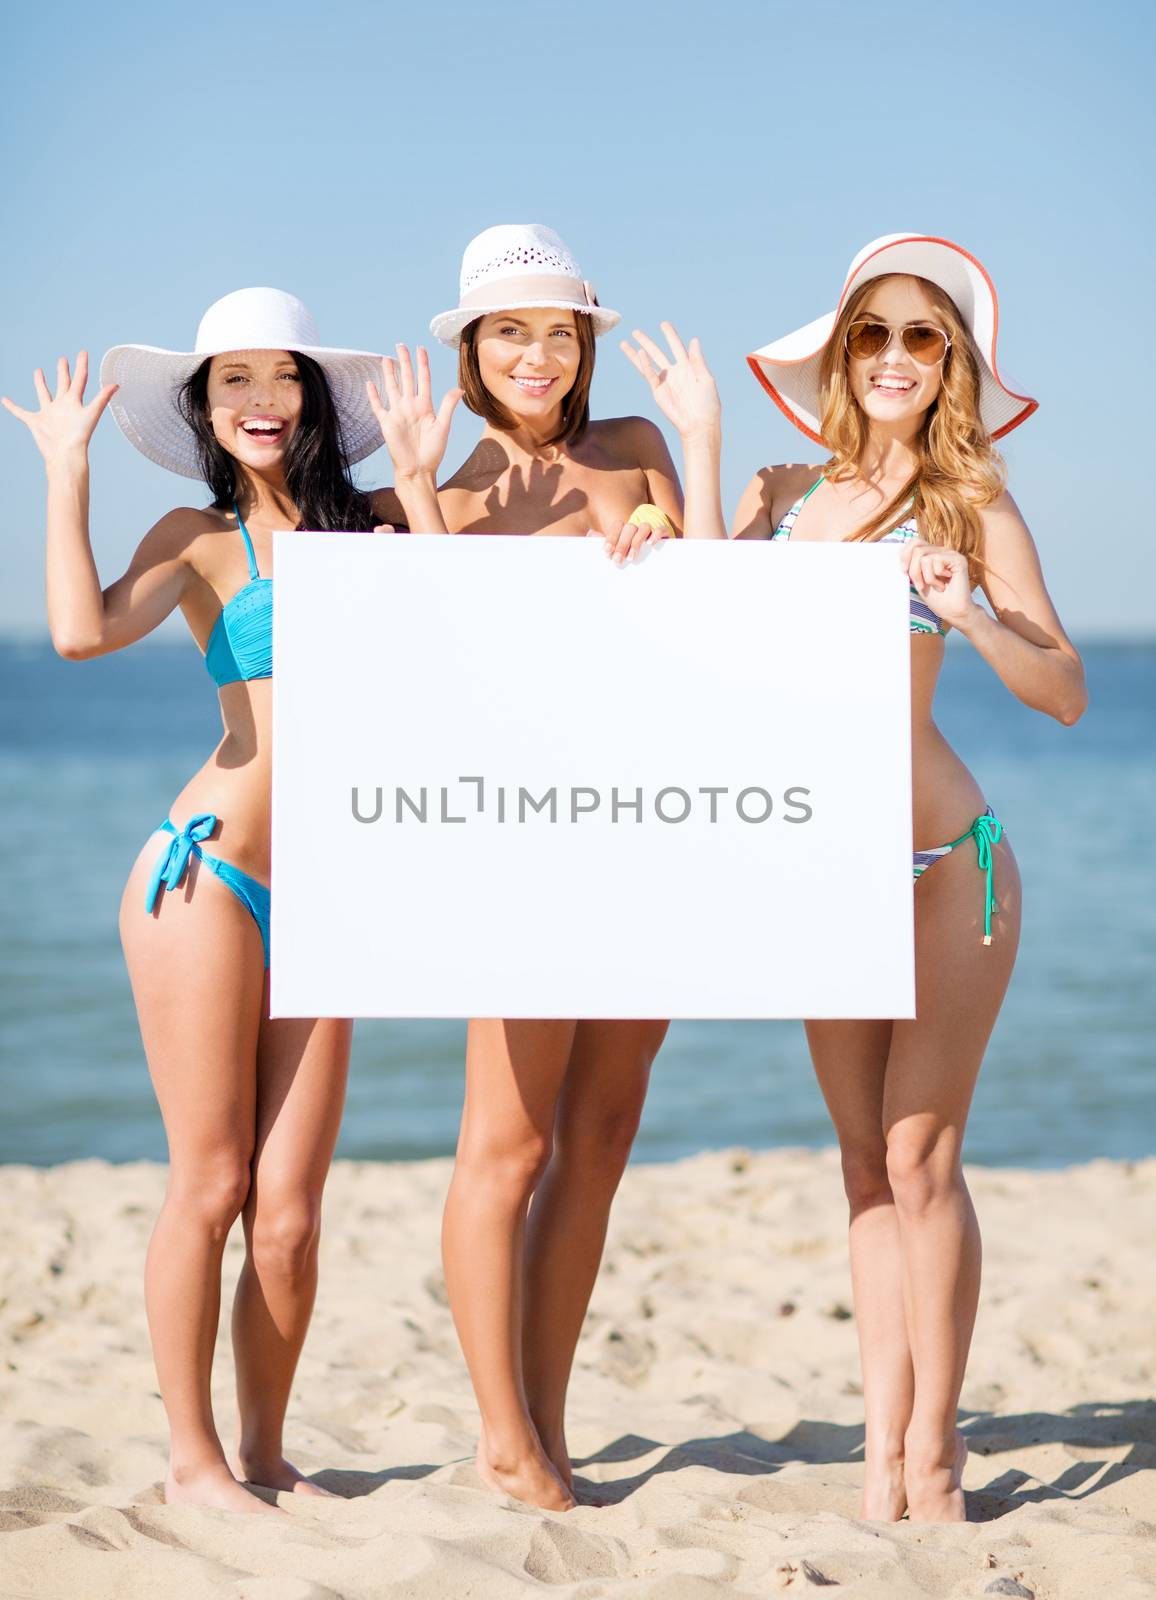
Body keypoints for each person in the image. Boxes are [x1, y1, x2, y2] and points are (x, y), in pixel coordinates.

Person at [625, 234, 1087, 1522]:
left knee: (921, 1154)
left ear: (953, 366)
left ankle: (934, 1457)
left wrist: (975, 614)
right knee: (860, 1165)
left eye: (921, 336)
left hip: (947, 864)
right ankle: (882, 1455)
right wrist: (692, 463)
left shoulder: (973, 507)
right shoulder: (788, 497)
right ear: (841, 355)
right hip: (817, 865)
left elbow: (1064, 694)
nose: (893, 357)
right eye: (871, 334)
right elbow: (696, 633)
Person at [3, 287, 399, 1514]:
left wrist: (658, 495)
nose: (260, 401)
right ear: (204, 409)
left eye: (282, 378)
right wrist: (65, 469)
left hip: (333, 885)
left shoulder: (386, 527)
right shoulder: (194, 536)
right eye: (232, 381)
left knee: (287, 1213)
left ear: (316, 401)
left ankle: (267, 1454)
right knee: (211, 1180)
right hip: (207, 874)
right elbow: (77, 634)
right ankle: (193, 1462)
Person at [368, 224, 679, 1510]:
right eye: (508, 331)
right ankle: (502, 1437)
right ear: (472, 353)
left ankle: (545, 1418)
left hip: (649, 826)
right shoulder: (427, 492)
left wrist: (677, 496)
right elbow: (430, 666)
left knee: (601, 1134)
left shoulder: (635, 455)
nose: (536, 353)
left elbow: (709, 615)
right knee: (506, 1141)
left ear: (585, 344)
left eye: (558, 330)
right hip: (508, 836)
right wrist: (418, 486)